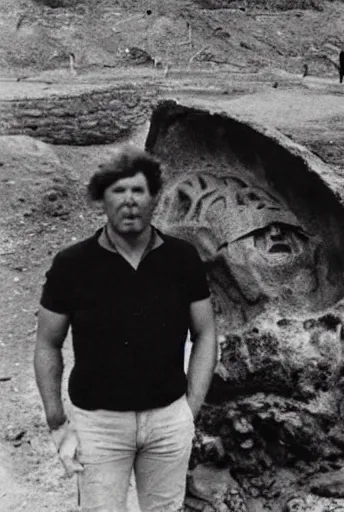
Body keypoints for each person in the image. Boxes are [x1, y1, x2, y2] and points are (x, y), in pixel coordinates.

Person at [34, 147, 218, 512]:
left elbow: (206, 333)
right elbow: (47, 343)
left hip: (168, 419)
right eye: (118, 191)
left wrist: (190, 410)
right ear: (102, 199)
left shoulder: (182, 259)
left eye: (139, 191)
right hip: (99, 425)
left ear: (155, 198)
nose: (130, 201)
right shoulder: (72, 264)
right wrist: (56, 419)